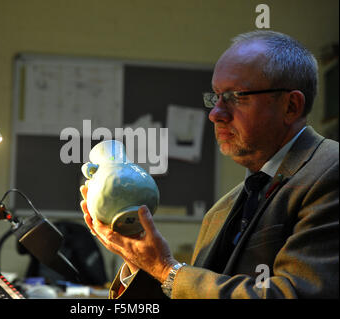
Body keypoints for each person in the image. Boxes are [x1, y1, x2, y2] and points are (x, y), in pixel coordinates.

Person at [79, 30, 339, 299]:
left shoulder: (330, 171)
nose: (215, 114)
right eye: (216, 97)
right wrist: (138, 260)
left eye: (236, 96)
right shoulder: (221, 210)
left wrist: (167, 269)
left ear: (291, 106)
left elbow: (296, 294)